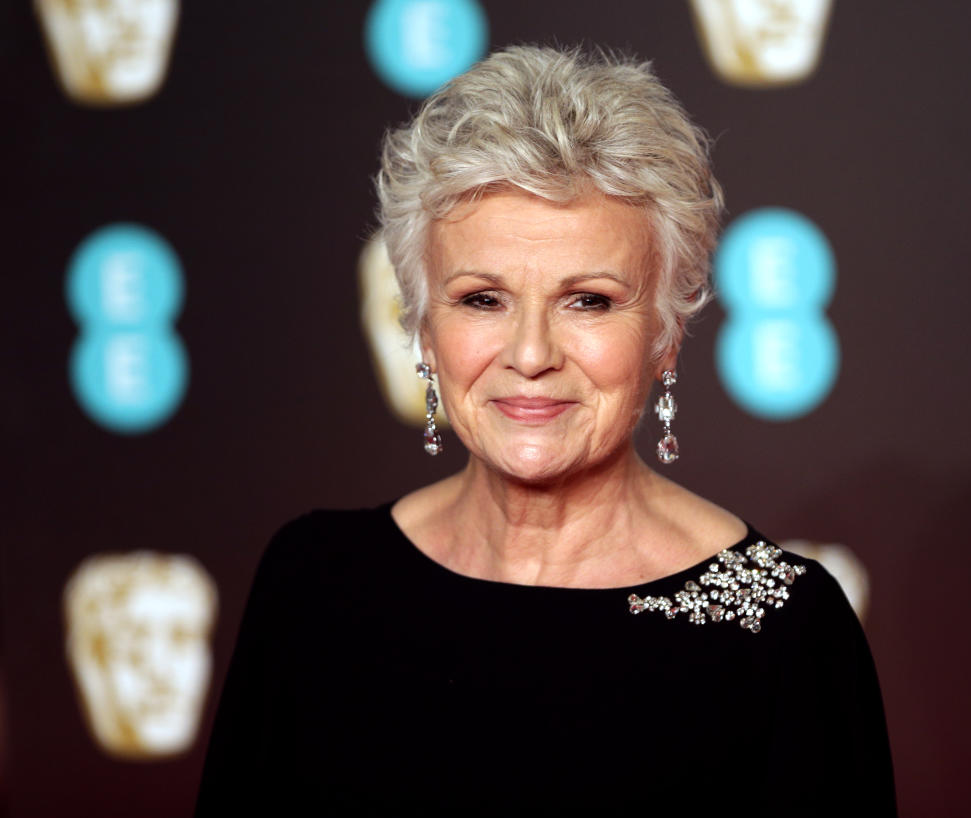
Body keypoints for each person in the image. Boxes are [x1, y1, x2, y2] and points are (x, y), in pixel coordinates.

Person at [195, 45, 896, 816]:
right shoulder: (312, 583)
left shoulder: (781, 627)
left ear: (666, 333)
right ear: (424, 330)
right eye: (482, 300)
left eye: (588, 301)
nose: (530, 355)